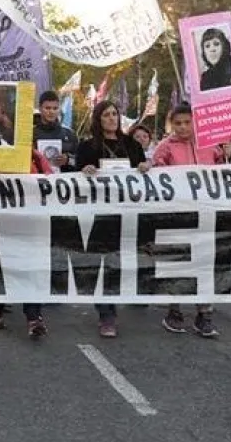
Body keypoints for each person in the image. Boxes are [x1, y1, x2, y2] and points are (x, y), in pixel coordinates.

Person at [75, 100, 150, 338]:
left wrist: (145, 167)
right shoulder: (87, 147)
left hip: (128, 213)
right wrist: (83, 171)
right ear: (98, 119)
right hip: (100, 215)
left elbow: (143, 169)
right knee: (103, 264)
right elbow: (74, 177)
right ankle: (106, 314)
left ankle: (125, 298)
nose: (111, 118)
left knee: (123, 262)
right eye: (106, 115)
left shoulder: (131, 145)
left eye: (114, 114)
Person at [152, 103, 225, 338]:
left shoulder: (211, 146)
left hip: (206, 214)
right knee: (179, 263)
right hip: (177, 216)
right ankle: (174, 312)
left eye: (187, 122)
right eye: (178, 123)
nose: (183, 127)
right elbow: (155, 176)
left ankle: (204, 315)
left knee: (204, 265)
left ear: (195, 122)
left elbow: (225, 176)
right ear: (171, 125)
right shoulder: (164, 148)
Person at [0, 149, 52, 339]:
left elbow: (50, 182)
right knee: (0, 267)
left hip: (28, 223)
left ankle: (34, 317)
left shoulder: (35, 156)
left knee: (31, 268)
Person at [33, 91, 79, 173]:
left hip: (63, 182)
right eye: (47, 108)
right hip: (37, 182)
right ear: (40, 108)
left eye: (55, 108)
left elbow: (81, 161)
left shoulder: (69, 134)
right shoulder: (30, 134)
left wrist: (68, 159)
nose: (51, 112)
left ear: (59, 109)